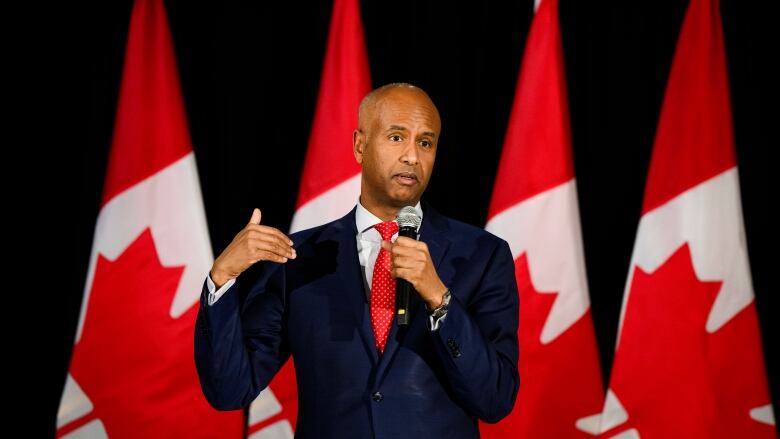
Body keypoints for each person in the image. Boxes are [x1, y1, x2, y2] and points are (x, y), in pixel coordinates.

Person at [195, 83, 519, 438]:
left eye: (425, 143)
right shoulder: (299, 257)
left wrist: (440, 299)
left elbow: (496, 400)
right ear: (360, 145)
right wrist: (222, 277)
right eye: (397, 137)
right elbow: (229, 391)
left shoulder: (482, 255)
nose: (412, 156)